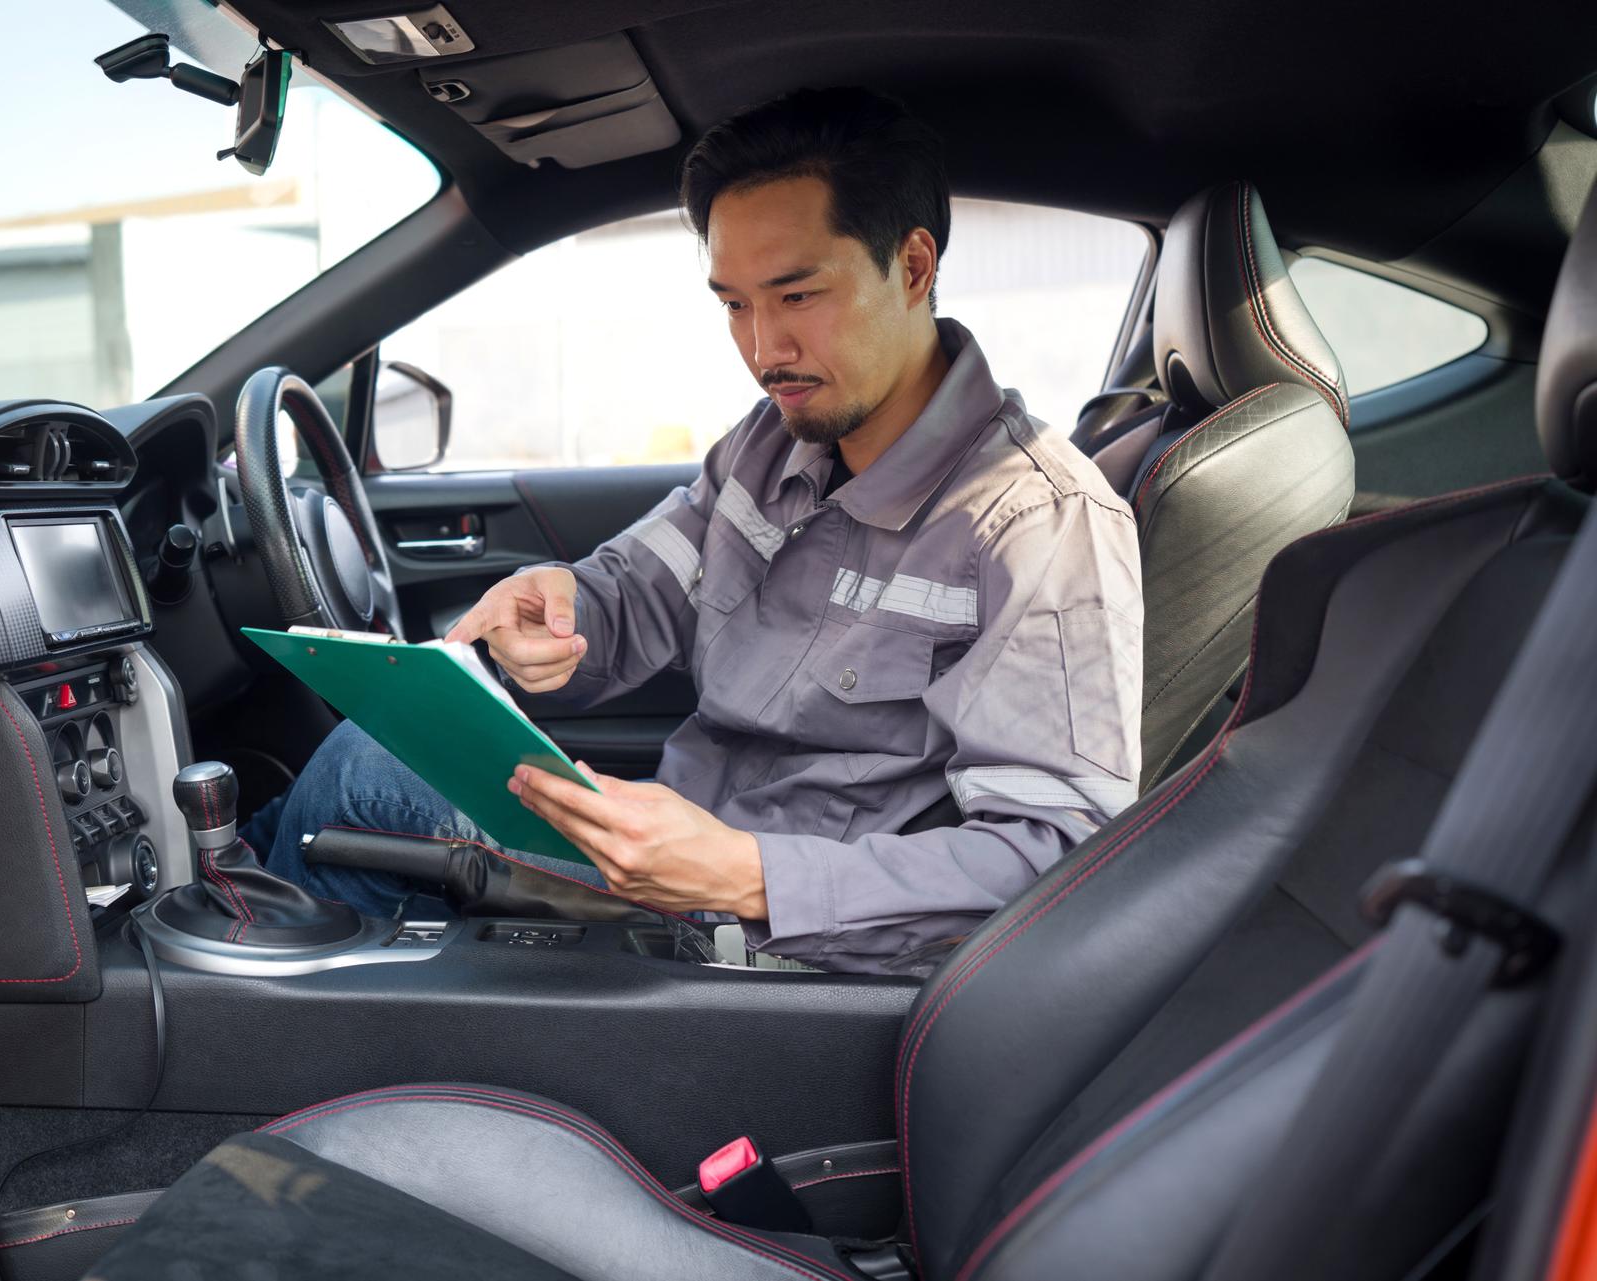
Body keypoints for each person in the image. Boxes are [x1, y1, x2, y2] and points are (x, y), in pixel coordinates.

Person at [249, 86, 1143, 974]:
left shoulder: (1037, 523)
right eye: (734, 304)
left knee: (362, 774)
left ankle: (236, 1051)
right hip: (675, 843)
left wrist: (749, 874)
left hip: (780, 944)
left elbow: (1057, 858)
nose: (763, 349)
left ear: (912, 268)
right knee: (348, 767)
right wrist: (564, 610)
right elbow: (640, 586)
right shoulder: (770, 443)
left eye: (796, 295)